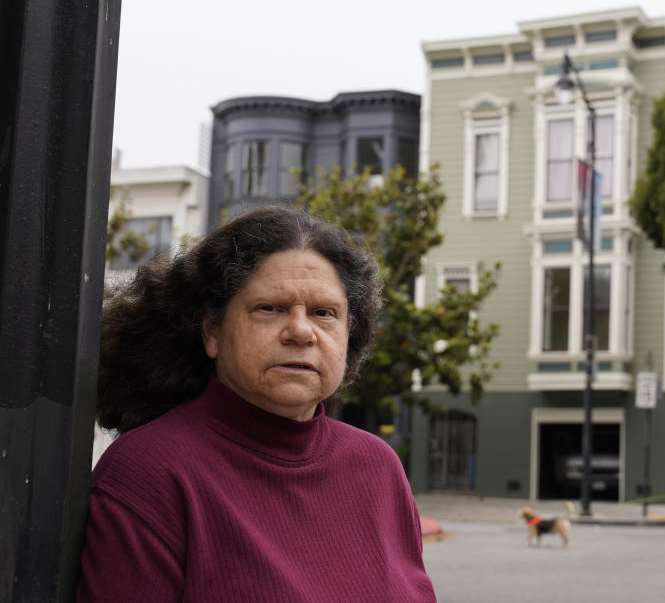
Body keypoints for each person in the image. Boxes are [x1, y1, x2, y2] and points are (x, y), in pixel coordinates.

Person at [76, 208, 436, 602]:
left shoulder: (378, 467)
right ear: (212, 330)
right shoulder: (148, 474)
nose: (301, 331)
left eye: (323, 313)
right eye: (270, 308)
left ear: (349, 333)